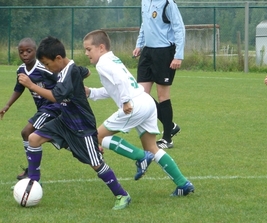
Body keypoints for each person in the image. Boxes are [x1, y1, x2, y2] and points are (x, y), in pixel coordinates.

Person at [18, 36, 131, 210]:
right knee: (33, 138)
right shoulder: (67, 68)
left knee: (95, 163)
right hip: (64, 120)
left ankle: (122, 194)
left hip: (82, 127)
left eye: (48, 64)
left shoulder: (68, 72)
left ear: (58, 58)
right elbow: (85, 71)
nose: (47, 68)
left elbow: (56, 96)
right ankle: (33, 182)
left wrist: (32, 85)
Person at [83, 29, 194, 196]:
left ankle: (140, 157)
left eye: (88, 49)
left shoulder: (103, 63)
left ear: (101, 47)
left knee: (96, 136)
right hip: (145, 101)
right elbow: (113, 88)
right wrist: (90, 92)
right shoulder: (112, 59)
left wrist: (126, 101)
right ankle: (182, 183)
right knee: (152, 147)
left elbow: (120, 81)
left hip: (134, 104)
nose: (86, 53)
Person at [0, 38, 61, 181]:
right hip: (42, 109)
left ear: (36, 51)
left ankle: (32, 172)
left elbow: (61, 81)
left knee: (27, 132)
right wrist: (7, 106)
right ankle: (62, 140)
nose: (25, 55)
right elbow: (18, 89)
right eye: (21, 52)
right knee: (35, 136)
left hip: (53, 107)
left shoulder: (43, 69)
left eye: (28, 51)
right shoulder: (21, 70)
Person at [132, 0, 185, 149]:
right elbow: (145, 23)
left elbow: (179, 27)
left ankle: (167, 138)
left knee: (162, 96)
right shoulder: (144, 0)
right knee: (141, 95)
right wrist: (139, 44)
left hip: (164, 52)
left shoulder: (168, 2)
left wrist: (178, 55)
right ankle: (171, 125)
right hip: (148, 51)